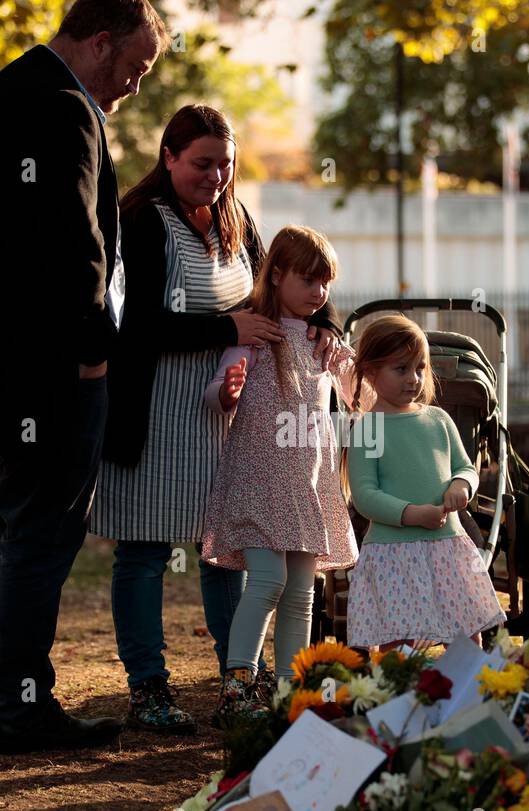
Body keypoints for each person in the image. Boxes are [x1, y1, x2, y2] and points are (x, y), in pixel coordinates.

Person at [0, 0, 170, 754]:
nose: (134, 85)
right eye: (134, 67)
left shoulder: (13, 90)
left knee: (18, 531)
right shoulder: (62, 108)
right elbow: (71, 239)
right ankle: (20, 708)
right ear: (98, 43)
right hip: (49, 369)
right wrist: (94, 344)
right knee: (42, 537)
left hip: (6, 367)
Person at [90, 104, 340, 734]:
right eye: (202, 163)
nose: (216, 177)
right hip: (152, 416)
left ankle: (243, 680)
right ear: (169, 158)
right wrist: (224, 327)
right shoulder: (142, 221)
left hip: (226, 427)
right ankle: (149, 688)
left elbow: (275, 291)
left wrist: (327, 326)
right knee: (145, 554)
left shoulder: (235, 220)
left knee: (226, 558)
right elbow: (134, 325)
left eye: (225, 164)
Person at [200, 226, 358, 725]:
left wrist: (344, 351)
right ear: (278, 275)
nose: (319, 293)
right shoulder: (257, 333)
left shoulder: (322, 340)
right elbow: (215, 394)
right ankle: (238, 688)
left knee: (301, 592)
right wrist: (228, 390)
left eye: (325, 283)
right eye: (309, 281)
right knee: (266, 580)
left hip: (308, 484)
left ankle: (292, 692)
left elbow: (360, 395)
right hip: (260, 483)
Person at [345, 314, 506, 649]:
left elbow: (465, 466)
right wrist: (413, 514)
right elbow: (365, 494)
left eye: (420, 367)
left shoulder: (438, 419)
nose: (413, 379)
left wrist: (461, 485)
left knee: (465, 630)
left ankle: (466, 693)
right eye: (400, 369)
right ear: (371, 373)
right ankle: (402, 695)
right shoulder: (368, 428)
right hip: (393, 551)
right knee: (398, 637)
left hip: (447, 545)